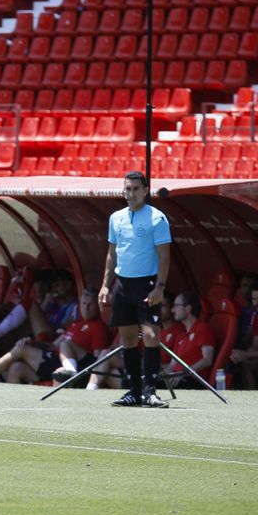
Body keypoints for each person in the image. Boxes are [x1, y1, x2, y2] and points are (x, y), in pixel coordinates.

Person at [98, 170, 171, 408]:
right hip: (123, 284)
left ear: (145, 191)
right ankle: (134, 392)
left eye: (135, 189)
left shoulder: (157, 218)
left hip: (146, 283)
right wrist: (105, 286)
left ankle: (151, 392)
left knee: (150, 335)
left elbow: (164, 256)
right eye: (127, 189)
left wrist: (160, 287)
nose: (130, 194)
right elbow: (111, 254)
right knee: (127, 337)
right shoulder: (116, 218)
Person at [0, 288, 108, 385]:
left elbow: (96, 360)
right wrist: (32, 342)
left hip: (69, 369)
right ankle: (8, 412)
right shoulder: (76, 324)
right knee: (16, 367)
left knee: (31, 349)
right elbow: (52, 345)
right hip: (52, 361)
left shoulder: (98, 327)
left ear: (98, 306)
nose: (86, 308)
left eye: (90, 304)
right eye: (84, 303)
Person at [156, 292, 216, 388]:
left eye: (176, 306)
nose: (172, 310)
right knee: (147, 381)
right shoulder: (181, 334)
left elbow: (207, 360)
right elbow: (172, 365)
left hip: (194, 379)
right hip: (177, 377)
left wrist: (184, 373)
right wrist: (159, 375)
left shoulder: (203, 329)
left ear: (188, 308)